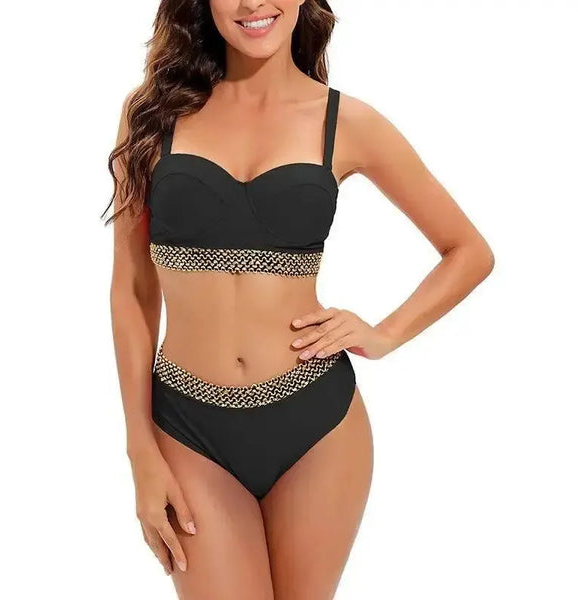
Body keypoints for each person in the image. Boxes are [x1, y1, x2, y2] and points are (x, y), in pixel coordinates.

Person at [103, 1, 494, 598]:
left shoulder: (347, 122)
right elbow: (132, 290)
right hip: (187, 427)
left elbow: (468, 251)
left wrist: (384, 334)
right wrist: (140, 449)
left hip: (318, 427)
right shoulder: (154, 115)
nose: (253, 3)